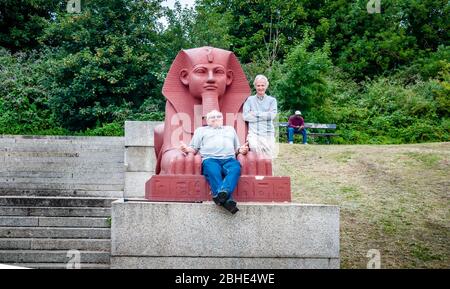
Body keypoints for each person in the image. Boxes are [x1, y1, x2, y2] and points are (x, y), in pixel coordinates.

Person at [180, 110, 249, 214]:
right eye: (212, 117)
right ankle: (227, 200)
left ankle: (221, 195)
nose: (216, 118)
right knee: (213, 171)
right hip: (210, 159)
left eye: (218, 116)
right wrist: (186, 149)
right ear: (207, 120)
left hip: (229, 159)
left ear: (222, 119)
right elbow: (194, 148)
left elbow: (237, 148)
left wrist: (241, 150)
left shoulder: (230, 129)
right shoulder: (201, 130)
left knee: (235, 169)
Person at [243, 75, 277, 159]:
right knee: (255, 152)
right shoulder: (250, 100)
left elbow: (271, 116)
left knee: (269, 158)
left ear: (266, 86)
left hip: (268, 132)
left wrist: (255, 113)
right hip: (254, 133)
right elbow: (245, 116)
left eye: (262, 85)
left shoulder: (272, 100)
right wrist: (265, 115)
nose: (260, 88)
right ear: (255, 86)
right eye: (258, 85)